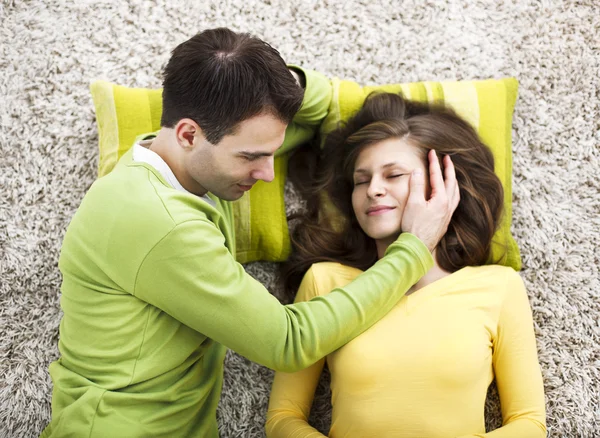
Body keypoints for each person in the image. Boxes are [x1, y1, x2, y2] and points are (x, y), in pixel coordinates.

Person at [41, 29, 459, 437]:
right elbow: (288, 341)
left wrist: (273, 84)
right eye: (252, 158)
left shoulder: (171, 160)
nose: (265, 174)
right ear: (189, 134)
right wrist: (414, 247)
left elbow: (310, 113)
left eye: (272, 153)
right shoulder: (160, 222)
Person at [266, 92, 546, 437]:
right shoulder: (326, 281)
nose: (374, 190)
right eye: (361, 180)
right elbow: (283, 416)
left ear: (443, 184)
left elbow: (530, 422)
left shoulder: (499, 287)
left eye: (394, 174)